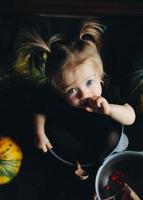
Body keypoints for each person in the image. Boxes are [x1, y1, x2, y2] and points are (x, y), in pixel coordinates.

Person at [23, 20, 136, 165]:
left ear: (100, 76)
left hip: (101, 131)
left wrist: (109, 110)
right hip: (73, 134)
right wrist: (40, 133)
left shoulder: (107, 93)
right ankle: (83, 159)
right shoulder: (54, 98)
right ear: (59, 92)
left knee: (113, 137)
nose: (84, 95)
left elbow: (131, 117)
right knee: (56, 134)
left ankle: (106, 151)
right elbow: (40, 110)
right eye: (72, 90)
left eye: (89, 82)